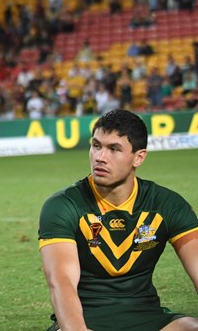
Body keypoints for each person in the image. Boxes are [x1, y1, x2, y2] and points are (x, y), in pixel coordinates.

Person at [39, 109, 198, 331]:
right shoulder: (63, 205)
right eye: (96, 146)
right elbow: (61, 283)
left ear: (138, 157)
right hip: (86, 320)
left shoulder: (167, 205)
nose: (100, 157)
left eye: (114, 149)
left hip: (148, 317)